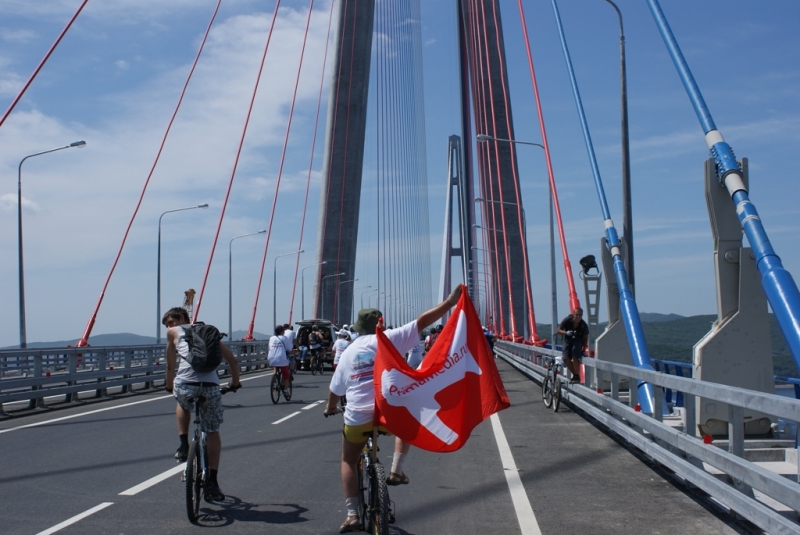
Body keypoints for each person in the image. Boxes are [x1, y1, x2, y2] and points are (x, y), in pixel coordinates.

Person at [324, 286, 462, 534]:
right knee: (404, 414)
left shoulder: (348, 352)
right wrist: (450, 302)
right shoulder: (391, 337)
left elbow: (335, 391)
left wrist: (330, 408)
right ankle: (396, 469)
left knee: (348, 459)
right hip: (388, 413)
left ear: (357, 328)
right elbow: (422, 322)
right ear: (381, 323)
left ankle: (352, 514)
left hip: (357, 416)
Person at [164, 307, 241, 502]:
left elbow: (170, 365)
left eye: (170, 322)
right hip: (210, 386)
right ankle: (212, 482)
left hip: (185, 385)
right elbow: (232, 360)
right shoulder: (208, 333)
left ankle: (183, 445)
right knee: (212, 431)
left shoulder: (173, 333)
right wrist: (234, 384)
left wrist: (169, 384)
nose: (169, 327)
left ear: (181, 318)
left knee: (181, 402)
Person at [556, 307, 589, 383]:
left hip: (578, 340)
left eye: (580, 315)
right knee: (565, 357)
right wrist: (566, 333)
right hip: (568, 340)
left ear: (582, 315)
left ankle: (576, 376)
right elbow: (558, 330)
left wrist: (584, 348)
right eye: (576, 314)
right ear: (573, 314)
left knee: (575, 354)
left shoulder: (583, 325)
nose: (578, 316)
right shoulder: (567, 320)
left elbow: (585, 336)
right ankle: (576, 375)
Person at [269, 325, 292, 397]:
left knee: (276, 367)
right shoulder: (285, 338)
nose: (284, 332)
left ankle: (274, 379)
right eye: (283, 330)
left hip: (271, 358)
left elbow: (270, 347)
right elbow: (290, 348)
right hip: (282, 359)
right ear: (281, 331)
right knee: (286, 375)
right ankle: (285, 390)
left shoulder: (271, 338)